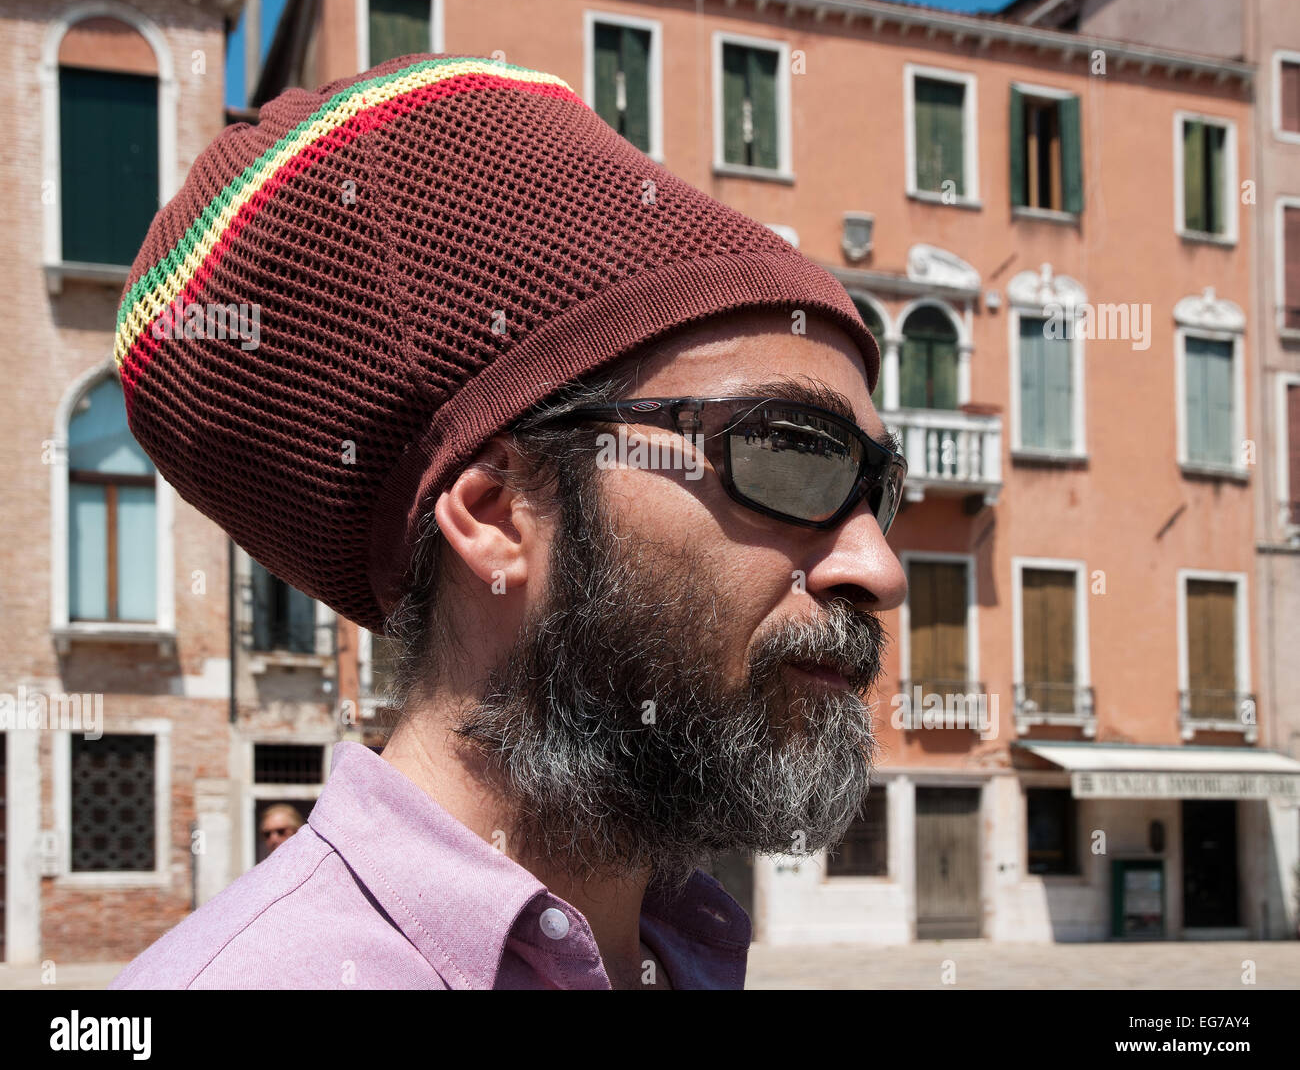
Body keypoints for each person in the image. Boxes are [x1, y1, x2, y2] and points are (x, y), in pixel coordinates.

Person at [109, 52, 908, 991]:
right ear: (499, 516)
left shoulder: (685, 949)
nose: (881, 566)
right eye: (791, 452)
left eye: (878, 489)